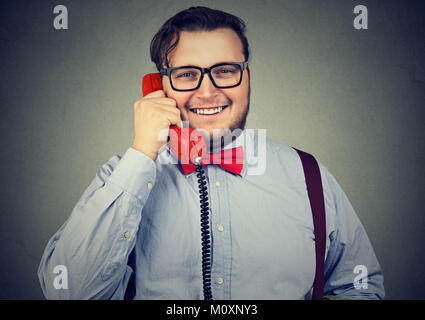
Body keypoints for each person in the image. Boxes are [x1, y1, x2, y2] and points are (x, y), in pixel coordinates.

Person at [38, 6, 385, 300]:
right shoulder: (122, 175)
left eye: (224, 71)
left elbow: (361, 286)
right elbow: (67, 291)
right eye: (187, 74)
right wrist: (143, 154)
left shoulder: (308, 175)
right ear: (158, 85)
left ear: (246, 76)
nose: (208, 91)